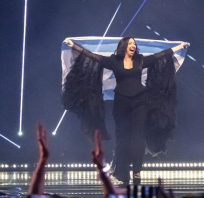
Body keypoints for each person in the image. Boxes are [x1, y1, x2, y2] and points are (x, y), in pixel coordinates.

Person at [64, 36, 189, 184]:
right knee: (122, 137)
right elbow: (92, 56)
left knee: (137, 136)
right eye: (130, 43)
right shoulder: (113, 62)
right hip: (121, 102)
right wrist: (74, 46)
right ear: (123, 46)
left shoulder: (141, 60)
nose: (133, 45)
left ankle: (137, 171)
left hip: (140, 102)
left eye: (134, 44)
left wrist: (179, 47)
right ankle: (122, 172)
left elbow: (160, 55)